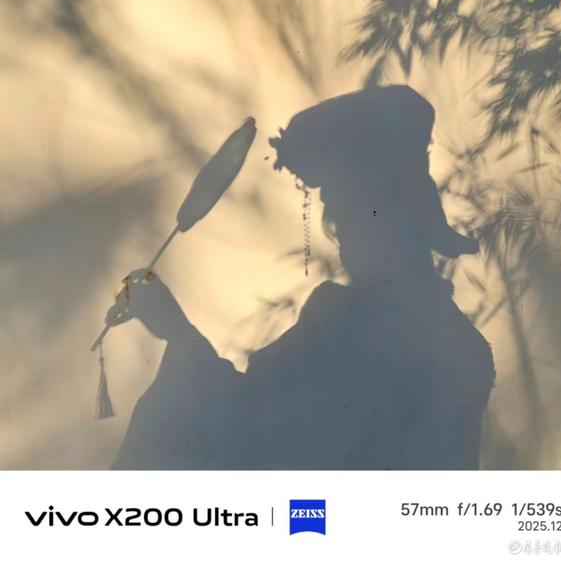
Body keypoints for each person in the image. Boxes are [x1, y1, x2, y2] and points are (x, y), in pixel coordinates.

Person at [110, 85, 495, 469]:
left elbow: (253, 429)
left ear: (394, 216)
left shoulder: (353, 326)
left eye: (352, 215)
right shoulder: (457, 339)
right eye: (340, 220)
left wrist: (178, 334)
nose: (344, 234)